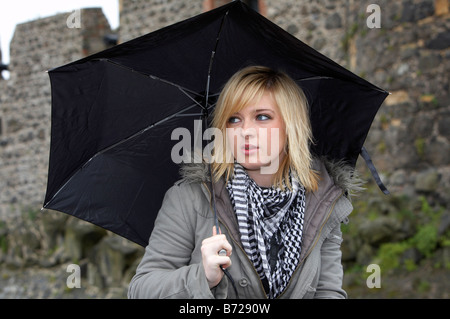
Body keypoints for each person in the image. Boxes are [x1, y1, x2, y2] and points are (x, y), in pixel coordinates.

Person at [128, 66, 362, 299]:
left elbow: (328, 292)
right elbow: (141, 290)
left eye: (262, 117)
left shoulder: (323, 200)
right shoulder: (189, 198)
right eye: (234, 119)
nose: (245, 131)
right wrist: (203, 277)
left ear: (291, 126)